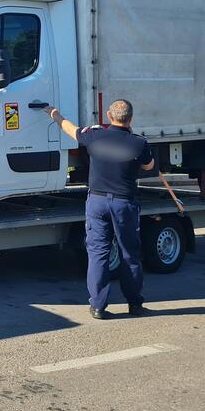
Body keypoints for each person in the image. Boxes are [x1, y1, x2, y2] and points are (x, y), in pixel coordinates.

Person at [44, 99, 156, 320]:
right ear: (131, 118)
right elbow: (149, 166)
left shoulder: (94, 135)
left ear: (108, 115)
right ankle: (134, 304)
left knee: (98, 253)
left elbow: (71, 130)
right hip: (124, 204)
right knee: (129, 254)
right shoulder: (139, 143)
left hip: (97, 202)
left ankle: (98, 306)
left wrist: (55, 115)